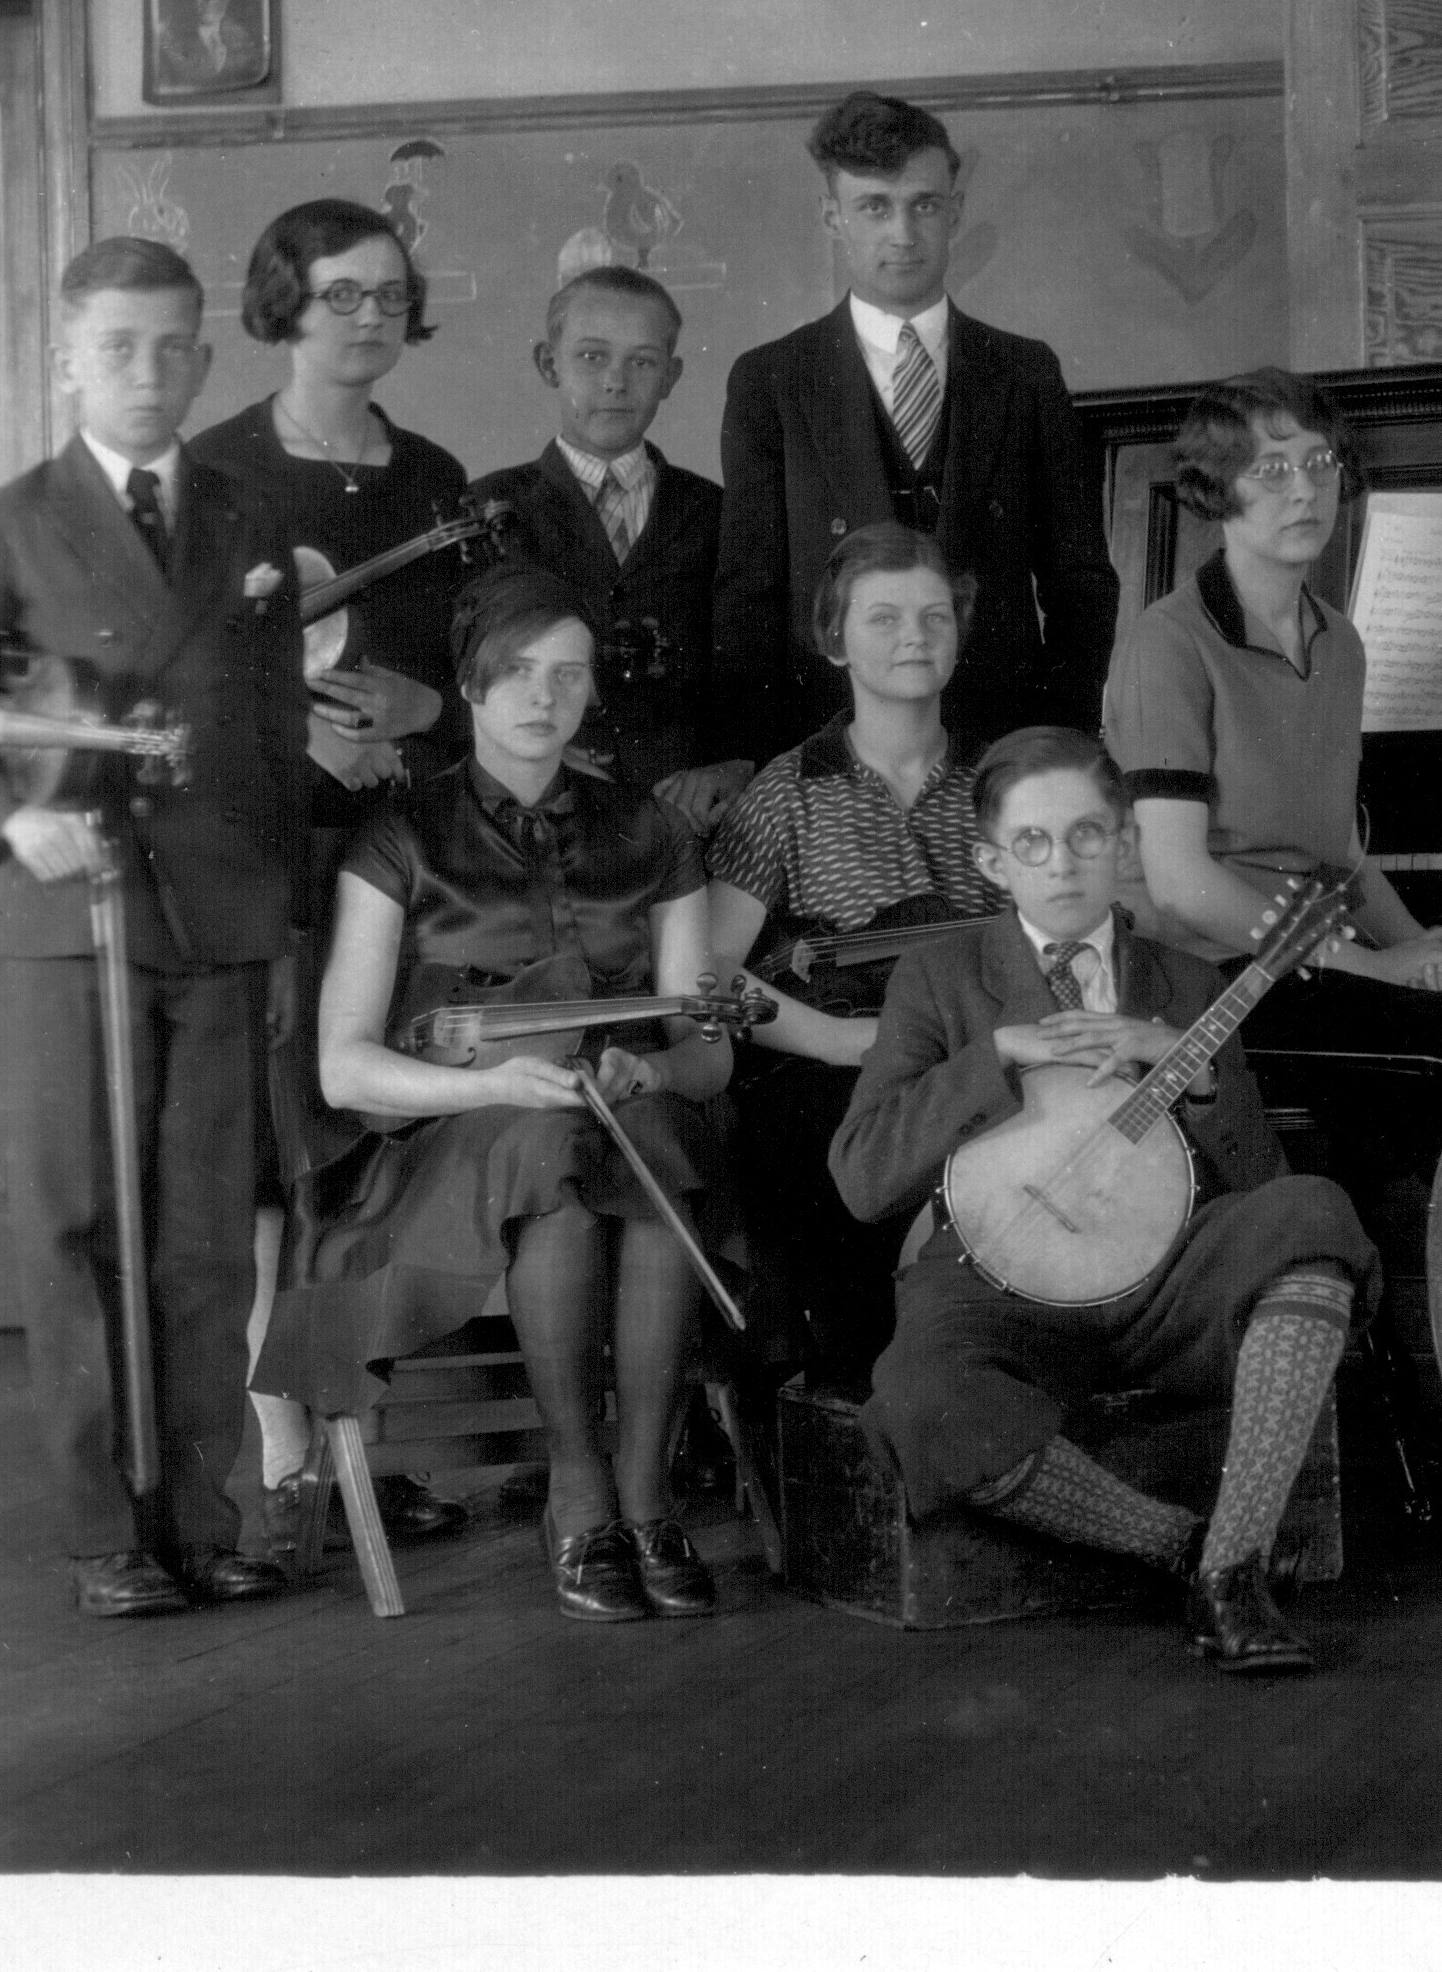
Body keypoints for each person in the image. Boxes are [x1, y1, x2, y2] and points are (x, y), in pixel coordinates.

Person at [0, 237, 309, 1616]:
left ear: (204, 355)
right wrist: (11, 820)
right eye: (117, 346)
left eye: (173, 345)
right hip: (60, 918)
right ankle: (104, 1534)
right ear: (66, 356)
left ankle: (201, 1511)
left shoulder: (247, 520)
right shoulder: (8, 518)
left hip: (214, 916)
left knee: (201, 1233)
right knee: (72, 1223)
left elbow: (273, 728)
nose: (148, 371)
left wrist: (275, 903)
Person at [252, 568, 743, 1622]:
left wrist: (651, 1064)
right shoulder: (401, 835)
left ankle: (646, 1502)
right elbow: (344, 1066)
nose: (544, 697)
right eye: (517, 672)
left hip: (620, 1125)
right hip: (444, 1143)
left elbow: (709, 1058)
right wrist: (485, 1087)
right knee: (543, 1152)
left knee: (647, 1145)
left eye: (569, 675)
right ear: (470, 686)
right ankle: (580, 1494)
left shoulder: (652, 834)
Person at [833, 729, 1376, 1676]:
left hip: (1165, 1281)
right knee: (920, 1394)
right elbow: (863, 1175)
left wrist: (1196, 1080)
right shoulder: (940, 979)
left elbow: (1258, 1185)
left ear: (1124, 843)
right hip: (992, 1286)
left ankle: (1237, 1562)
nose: (1065, 862)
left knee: (1312, 1214)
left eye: (1088, 835)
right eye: (1034, 842)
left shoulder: (1187, 983)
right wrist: (996, 1054)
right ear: (992, 861)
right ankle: (1186, 1548)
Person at [1104, 368, 1442, 1263]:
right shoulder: (1169, 640)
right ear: (1217, 490)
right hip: (1211, 979)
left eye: (1319, 462)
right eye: (1270, 470)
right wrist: (1378, 968)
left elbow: (1338, 848)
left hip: (1311, 963)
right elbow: (1183, 885)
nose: (1306, 488)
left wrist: (1427, 948)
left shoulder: (1338, 640)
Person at [188, 196, 481, 1553]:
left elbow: (486, 669)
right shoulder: (215, 471)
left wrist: (430, 714)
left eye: (387, 294)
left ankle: (361, 1446)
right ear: (281, 302)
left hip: (399, 858)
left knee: (371, 1161)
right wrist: (294, 725)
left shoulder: (433, 478)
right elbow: (175, 685)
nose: (369, 317)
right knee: (271, 1162)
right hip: (266, 866)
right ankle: (290, 1454)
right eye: (340, 293)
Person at [710, 91, 1118, 772]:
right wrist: (755, 758)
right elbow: (747, 599)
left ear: (955, 211)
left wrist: (1057, 741)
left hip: (998, 749)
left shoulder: (1024, 371)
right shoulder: (772, 380)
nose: (902, 233)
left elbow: (1081, 584)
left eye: (924, 205)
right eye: (875, 206)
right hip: (829, 749)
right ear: (832, 217)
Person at [702, 526, 1005, 1392]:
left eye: (934, 615)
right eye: (883, 618)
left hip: (981, 1055)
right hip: (836, 1071)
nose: (914, 636)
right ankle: (873, 1406)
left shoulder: (1003, 782)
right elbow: (711, 973)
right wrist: (841, 1043)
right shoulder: (788, 788)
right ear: (834, 639)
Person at [468, 265, 734, 823]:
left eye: (642, 361)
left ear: (671, 376)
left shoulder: (716, 511)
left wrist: (727, 766)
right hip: (534, 802)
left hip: (683, 808)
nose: (617, 381)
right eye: (592, 357)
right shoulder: (488, 508)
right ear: (549, 363)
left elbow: (747, 662)